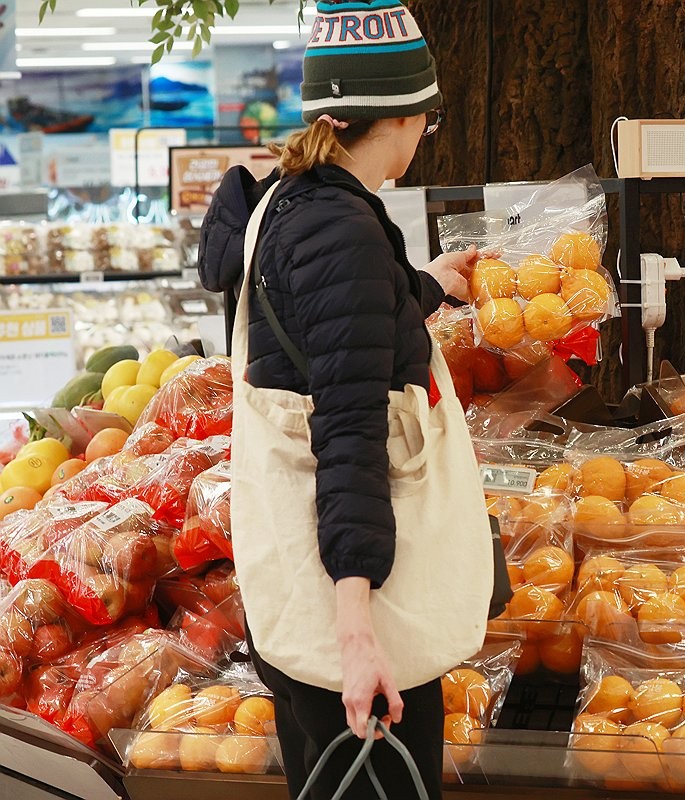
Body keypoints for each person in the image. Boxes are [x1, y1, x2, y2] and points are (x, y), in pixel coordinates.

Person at [198, 2, 480, 797]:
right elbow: (350, 431)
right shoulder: (345, 232)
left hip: (294, 599)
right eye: (427, 114)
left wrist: (424, 289)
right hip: (355, 622)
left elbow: (325, 327)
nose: (427, 130)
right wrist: (357, 635)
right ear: (396, 116)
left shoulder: (283, 202)